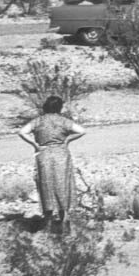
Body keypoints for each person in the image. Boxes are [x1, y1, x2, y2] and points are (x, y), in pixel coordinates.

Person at [17, 96, 86, 233]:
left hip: (44, 154)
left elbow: (22, 132)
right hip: (61, 154)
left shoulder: (39, 121)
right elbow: (81, 131)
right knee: (63, 185)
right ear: (59, 107)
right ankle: (64, 221)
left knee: (46, 185)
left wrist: (35, 144)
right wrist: (67, 140)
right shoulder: (63, 121)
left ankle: (47, 223)